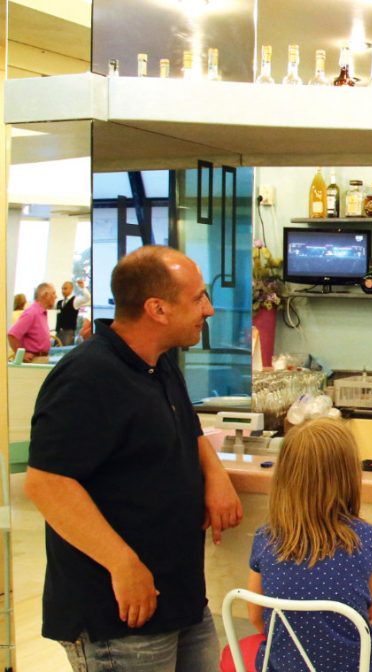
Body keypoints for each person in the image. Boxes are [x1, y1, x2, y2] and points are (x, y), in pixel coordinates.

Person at [24, 245, 243, 670]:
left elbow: (188, 428)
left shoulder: (159, 363)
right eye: (198, 297)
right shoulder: (87, 376)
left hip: (181, 598)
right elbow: (46, 482)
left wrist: (216, 476)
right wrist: (122, 563)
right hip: (119, 615)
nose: (209, 309)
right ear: (157, 309)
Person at [233, 417, 372, 672]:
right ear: (349, 475)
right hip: (356, 666)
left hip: (283, 667)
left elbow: (256, 617)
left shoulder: (266, 538)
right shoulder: (367, 538)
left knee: (233, 652)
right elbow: (371, 612)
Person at [7, 282, 57, 362]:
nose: (56, 296)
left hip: (41, 358)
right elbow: (12, 335)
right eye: (53, 293)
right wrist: (22, 354)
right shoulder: (32, 312)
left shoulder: (41, 313)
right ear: (45, 295)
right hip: (34, 359)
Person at [55, 278, 91, 346]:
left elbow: (87, 298)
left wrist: (83, 288)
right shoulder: (59, 303)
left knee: (66, 350)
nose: (63, 291)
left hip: (68, 333)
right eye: (62, 289)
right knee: (56, 350)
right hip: (58, 332)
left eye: (65, 288)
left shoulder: (75, 301)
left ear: (71, 289)